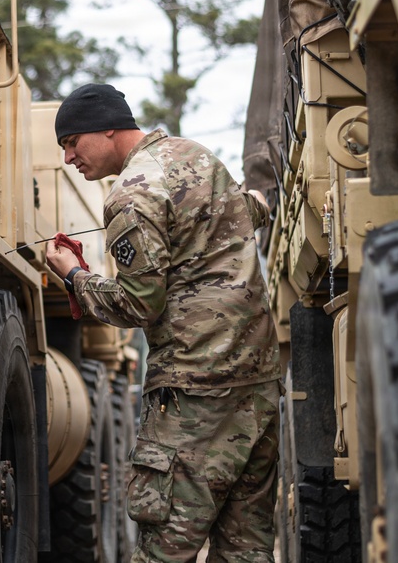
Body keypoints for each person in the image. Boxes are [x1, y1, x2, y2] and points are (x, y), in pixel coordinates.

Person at [45, 83, 280, 563]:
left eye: (72, 142)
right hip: (257, 386)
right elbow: (243, 211)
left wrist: (74, 276)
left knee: (164, 550)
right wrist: (258, 200)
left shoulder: (130, 196)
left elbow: (137, 305)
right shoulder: (198, 158)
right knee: (246, 550)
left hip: (193, 396)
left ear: (108, 127)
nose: (69, 158)